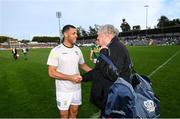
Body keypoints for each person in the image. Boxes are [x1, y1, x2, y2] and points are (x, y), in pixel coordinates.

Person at [83, 24, 132, 117]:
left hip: (114, 99)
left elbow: (113, 74)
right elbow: (98, 71)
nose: (97, 37)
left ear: (106, 35)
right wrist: (82, 78)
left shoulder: (116, 48)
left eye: (99, 35)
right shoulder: (111, 47)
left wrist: (103, 53)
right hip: (109, 98)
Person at [47, 25, 91, 118]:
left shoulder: (77, 50)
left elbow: (82, 65)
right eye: (73, 33)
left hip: (77, 89)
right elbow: (51, 72)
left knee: (74, 113)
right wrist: (70, 77)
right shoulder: (56, 51)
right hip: (63, 91)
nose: (76, 35)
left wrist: (96, 72)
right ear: (65, 34)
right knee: (64, 115)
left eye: (76, 33)